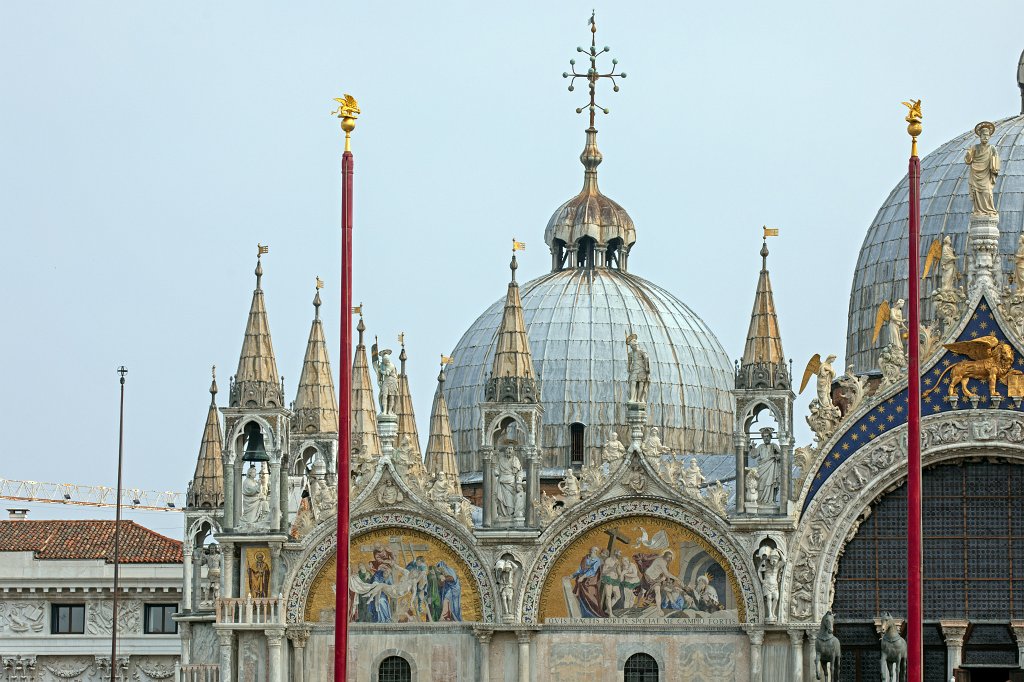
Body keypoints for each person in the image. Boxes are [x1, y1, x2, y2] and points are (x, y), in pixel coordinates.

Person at [965, 121, 1000, 216]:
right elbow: (968, 161)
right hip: (976, 174)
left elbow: (996, 162)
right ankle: (978, 211)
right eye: (984, 135)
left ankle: (989, 210)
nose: (986, 137)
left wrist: (994, 167)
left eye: (988, 135)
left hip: (986, 175)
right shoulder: (975, 148)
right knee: (977, 194)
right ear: (980, 136)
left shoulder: (992, 148)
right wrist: (968, 155)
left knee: (987, 192)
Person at [570, 546, 606, 618]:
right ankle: (584, 615)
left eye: (596, 551)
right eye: (593, 550)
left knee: (592, 598)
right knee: (581, 598)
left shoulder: (597, 560)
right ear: (590, 550)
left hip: (590, 582)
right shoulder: (585, 558)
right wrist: (573, 575)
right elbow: (580, 569)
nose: (594, 552)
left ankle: (594, 615)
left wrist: (583, 577)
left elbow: (593, 570)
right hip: (581, 581)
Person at [753, 428, 781, 504]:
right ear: (762, 438)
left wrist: (776, 456)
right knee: (761, 483)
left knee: (770, 483)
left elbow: (781, 454)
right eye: (764, 436)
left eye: (767, 436)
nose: (766, 438)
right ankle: (761, 500)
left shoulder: (774, 445)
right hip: (762, 468)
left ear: (770, 437)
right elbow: (754, 455)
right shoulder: (760, 446)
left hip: (771, 466)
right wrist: (752, 447)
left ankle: (769, 500)